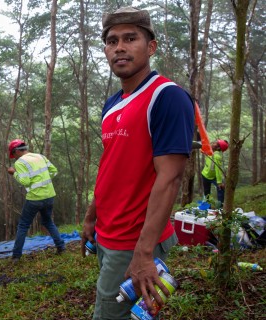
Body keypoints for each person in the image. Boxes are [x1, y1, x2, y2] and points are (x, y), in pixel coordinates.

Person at [81, 7, 195, 319]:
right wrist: (92, 216)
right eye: (112, 40)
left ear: (151, 46)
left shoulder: (167, 97)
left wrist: (144, 253)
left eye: (130, 38)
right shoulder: (112, 103)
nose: (119, 47)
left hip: (134, 238)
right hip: (107, 230)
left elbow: (170, 177)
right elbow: (111, 165)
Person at [7, 139, 65, 262]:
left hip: (34, 198)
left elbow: (25, 181)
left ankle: (16, 256)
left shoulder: (20, 163)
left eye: (14, 154)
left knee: (23, 226)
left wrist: (14, 173)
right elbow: (54, 171)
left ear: (16, 151)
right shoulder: (40, 156)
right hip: (49, 195)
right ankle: (61, 248)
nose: (14, 158)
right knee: (48, 222)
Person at [201, 139, 228, 206]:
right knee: (207, 193)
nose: (213, 143)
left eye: (216, 143)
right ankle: (208, 208)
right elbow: (204, 149)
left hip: (213, 177)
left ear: (218, 148)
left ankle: (220, 207)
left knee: (220, 189)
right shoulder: (210, 151)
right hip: (205, 175)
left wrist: (219, 182)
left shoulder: (217, 156)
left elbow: (218, 170)